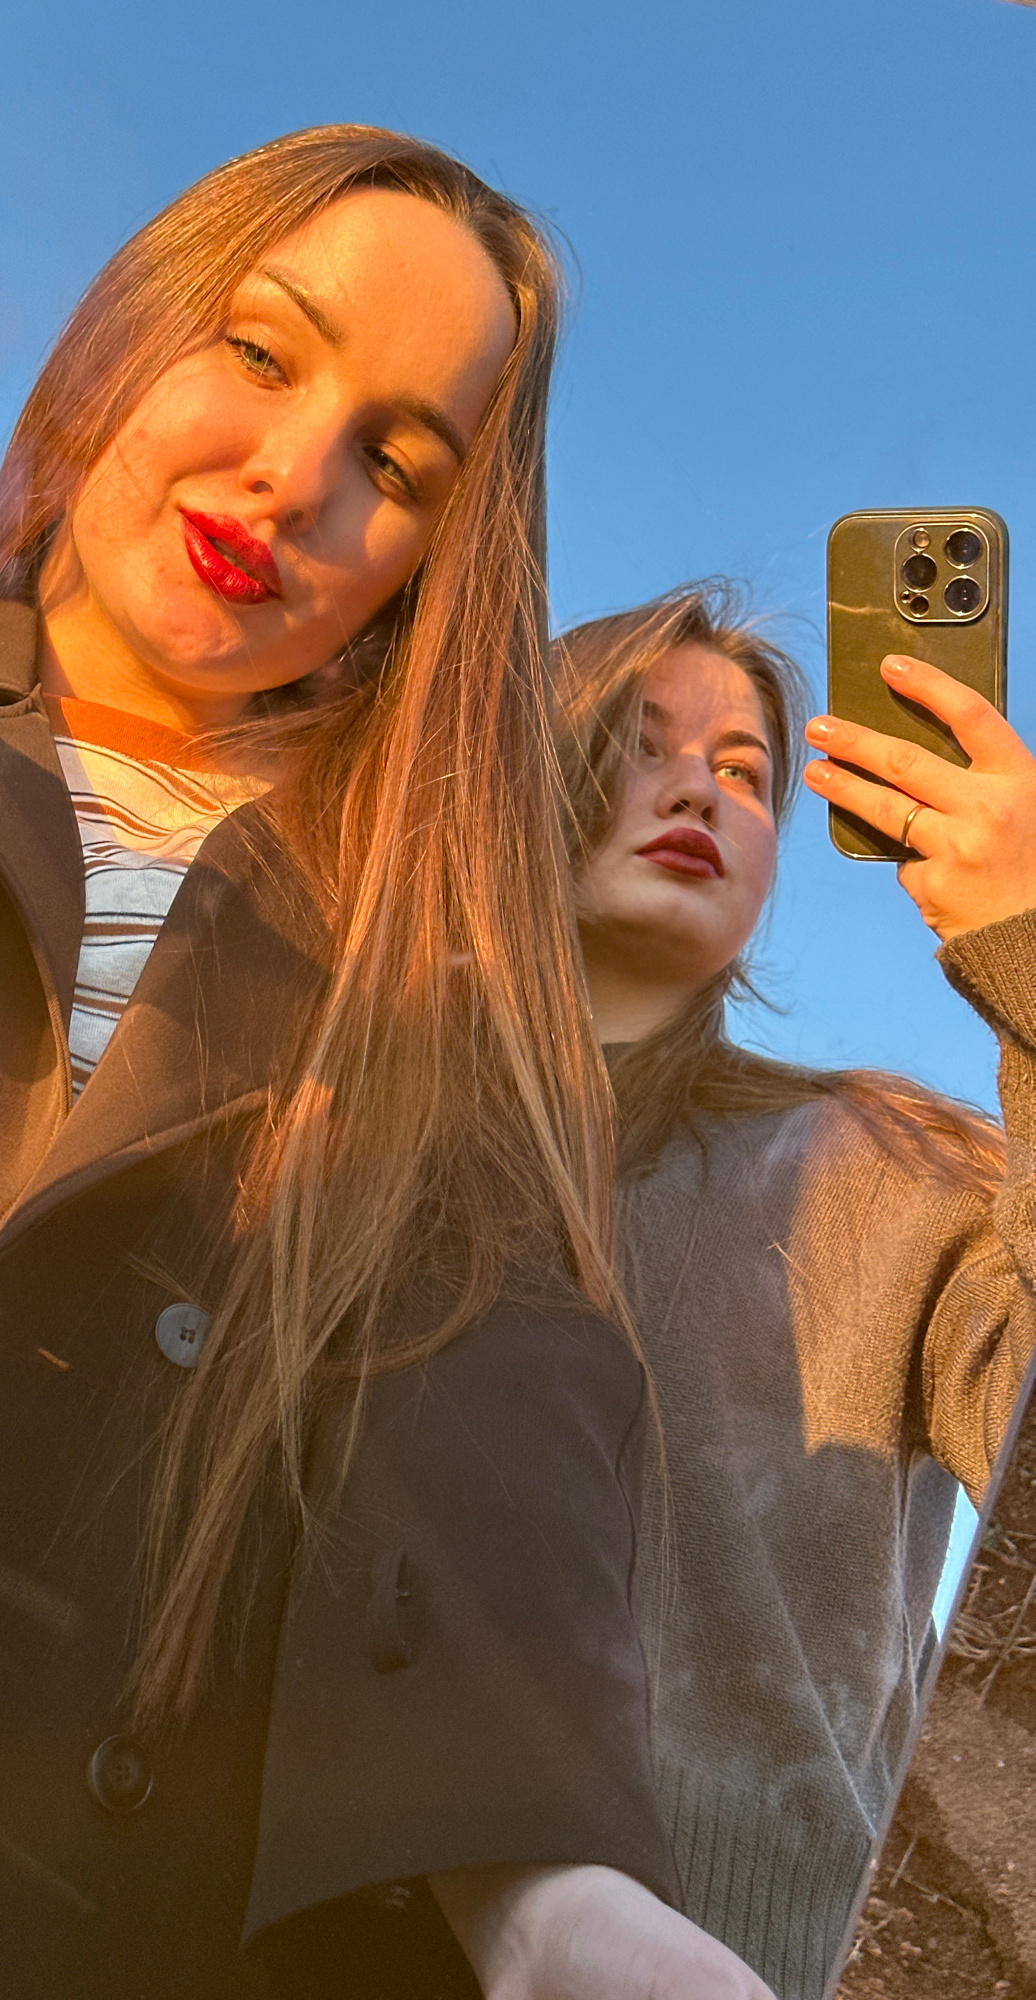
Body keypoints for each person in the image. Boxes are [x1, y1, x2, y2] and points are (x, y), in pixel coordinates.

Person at [0, 8, 779, 1998]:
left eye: (399, 463)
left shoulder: (416, 982)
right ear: (125, 338)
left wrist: (547, 1891)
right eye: (261, 351)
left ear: (429, 573)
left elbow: (489, 1417)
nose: (296, 478)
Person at [553, 581, 1036, 2000]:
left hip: (779, 1963)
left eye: (746, 771)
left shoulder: (898, 1168)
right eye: (634, 743)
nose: (694, 788)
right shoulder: (342, 1140)